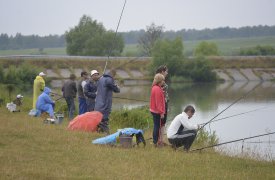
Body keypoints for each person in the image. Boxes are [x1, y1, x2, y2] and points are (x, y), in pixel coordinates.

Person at [95, 69, 120, 134]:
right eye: (114, 76)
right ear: (113, 74)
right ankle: (107, 134)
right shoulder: (109, 79)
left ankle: (99, 132)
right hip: (104, 103)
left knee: (99, 119)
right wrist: (117, 87)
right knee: (104, 119)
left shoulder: (101, 78)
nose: (114, 77)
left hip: (98, 103)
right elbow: (116, 89)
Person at [150, 73, 166, 147]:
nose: (163, 81)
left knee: (156, 126)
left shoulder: (155, 87)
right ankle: (156, 142)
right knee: (157, 127)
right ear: (160, 80)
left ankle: (155, 141)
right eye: (163, 80)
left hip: (154, 110)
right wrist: (161, 112)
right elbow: (158, 103)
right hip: (157, 111)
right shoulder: (157, 89)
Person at [155, 65, 169, 145]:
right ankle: (160, 140)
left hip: (164, 104)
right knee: (162, 123)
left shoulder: (159, 80)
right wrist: (162, 109)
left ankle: (160, 140)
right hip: (162, 106)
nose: (167, 73)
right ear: (162, 71)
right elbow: (161, 96)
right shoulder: (160, 82)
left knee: (162, 123)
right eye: (166, 71)